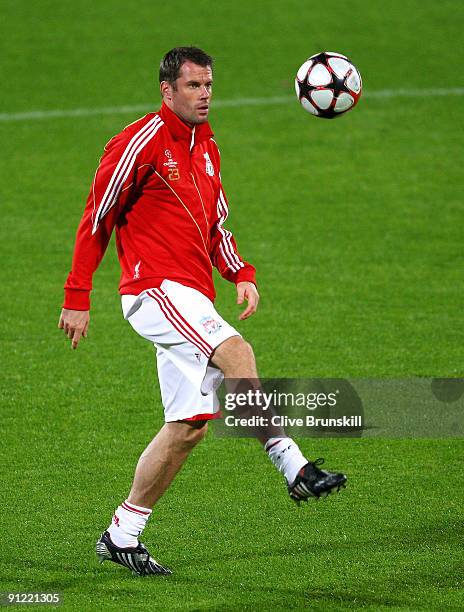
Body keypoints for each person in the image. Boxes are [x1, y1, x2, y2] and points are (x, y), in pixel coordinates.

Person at [58, 46, 347, 577]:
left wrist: (241, 272)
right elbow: (97, 215)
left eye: (209, 85)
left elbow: (215, 227)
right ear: (167, 90)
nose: (205, 94)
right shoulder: (140, 142)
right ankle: (294, 465)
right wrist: (78, 296)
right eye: (193, 86)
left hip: (190, 293)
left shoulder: (207, 149)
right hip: (153, 287)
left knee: (188, 425)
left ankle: (123, 533)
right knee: (237, 351)